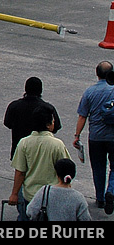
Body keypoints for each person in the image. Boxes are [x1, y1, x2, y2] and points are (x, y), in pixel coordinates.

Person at [8, 107, 70, 221]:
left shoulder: (24, 143)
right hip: (51, 196)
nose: (54, 122)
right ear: (48, 124)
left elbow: (20, 172)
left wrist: (14, 194)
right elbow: (66, 170)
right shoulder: (57, 145)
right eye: (52, 120)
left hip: (30, 195)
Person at [74, 61, 114, 214]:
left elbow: (82, 116)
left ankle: (100, 199)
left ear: (97, 73)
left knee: (98, 168)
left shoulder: (90, 92)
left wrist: (77, 136)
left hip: (96, 137)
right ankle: (111, 190)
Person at [4, 77, 62, 159]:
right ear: (40, 90)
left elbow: (7, 123)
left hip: (19, 150)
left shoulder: (14, 106)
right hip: (41, 153)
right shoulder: (48, 108)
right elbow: (56, 127)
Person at [27, 158, 91, 221]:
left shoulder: (45, 191)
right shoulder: (78, 197)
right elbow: (85, 218)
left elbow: (30, 211)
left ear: (57, 174)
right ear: (73, 175)